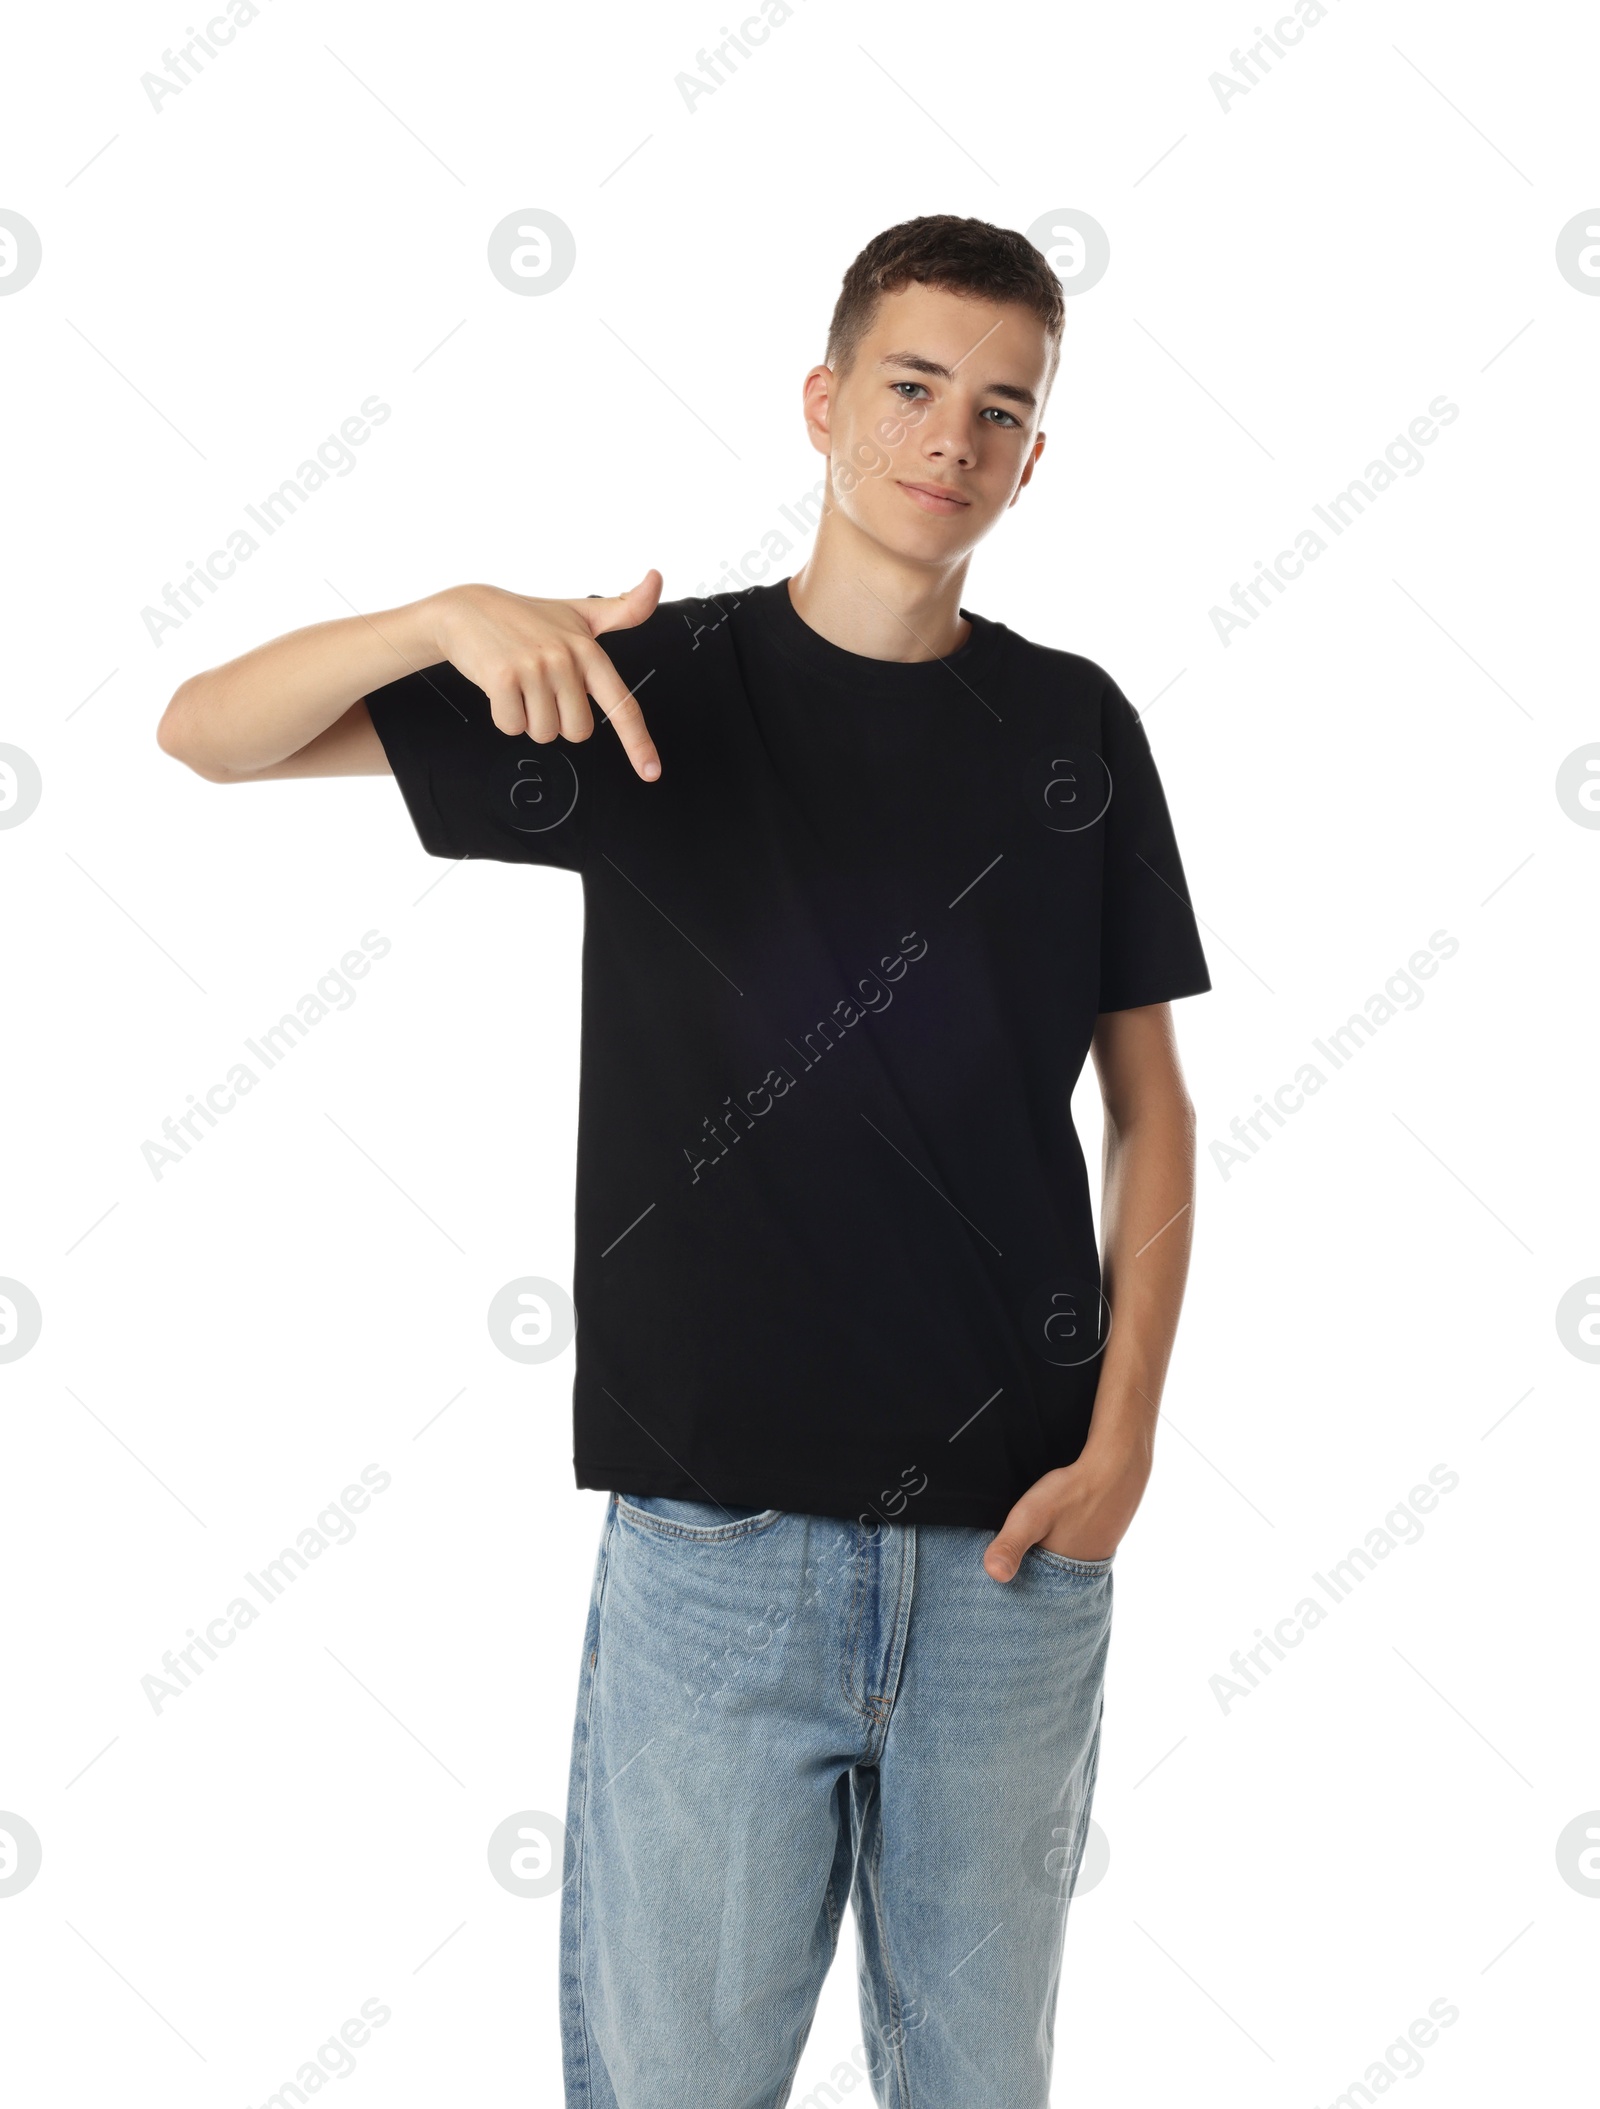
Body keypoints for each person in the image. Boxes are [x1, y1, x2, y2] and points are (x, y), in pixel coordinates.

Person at [158, 213, 1210, 2109]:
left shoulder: (1075, 729)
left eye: (999, 410)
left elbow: (1154, 1106)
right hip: (717, 1553)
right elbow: (206, 736)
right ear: (823, 402)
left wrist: (1126, 1439)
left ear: (1034, 458)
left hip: (1012, 1552)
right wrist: (441, 616)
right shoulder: (652, 690)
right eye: (910, 387)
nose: (947, 440)